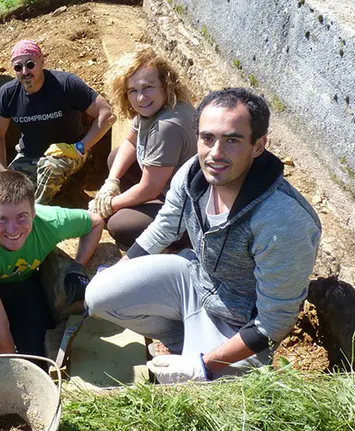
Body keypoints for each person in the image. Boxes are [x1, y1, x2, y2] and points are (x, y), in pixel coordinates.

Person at [85, 88, 321, 383]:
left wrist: (205, 365)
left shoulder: (281, 220)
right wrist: (120, 270)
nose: (215, 154)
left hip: (238, 322)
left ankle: (202, 355)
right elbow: (166, 227)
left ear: (258, 146)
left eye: (232, 140)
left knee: (203, 398)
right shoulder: (194, 173)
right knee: (99, 295)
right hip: (194, 280)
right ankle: (181, 338)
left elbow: (273, 323)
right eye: (207, 138)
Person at [0, 170, 104, 358]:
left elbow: (96, 223)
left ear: (34, 211)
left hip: (21, 282)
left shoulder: (51, 222)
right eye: (2, 219)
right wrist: (11, 373)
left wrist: (78, 267)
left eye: (21, 217)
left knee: (35, 351)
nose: (12, 230)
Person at [89, 45, 197, 247]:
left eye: (148, 87)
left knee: (120, 225)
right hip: (165, 184)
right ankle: (135, 206)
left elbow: (149, 188)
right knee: (116, 158)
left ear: (165, 84)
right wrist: (111, 182)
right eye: (133, 90)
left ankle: (176, 242)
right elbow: (130, 141)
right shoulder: (153, 108)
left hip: (189, 209)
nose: (141, 97)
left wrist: (108, 205)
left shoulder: (166, 127)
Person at [0, 40, 115, 204]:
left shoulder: (66, 84)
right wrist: (3, 172)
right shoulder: (8, 94)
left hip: (69, 152)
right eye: (18, 67)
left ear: (41, 60)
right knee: (8, 191)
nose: (25, 71)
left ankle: (36, 214)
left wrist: (79, 147)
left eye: (30, 64)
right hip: (29, 156)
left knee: (51, 167)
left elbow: (107, 115)